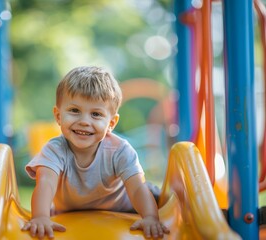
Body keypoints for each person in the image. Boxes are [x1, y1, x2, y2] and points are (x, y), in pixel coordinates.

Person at [22, 66, 169, 239]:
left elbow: (137, 188)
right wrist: (40, 217)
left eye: (96, 114)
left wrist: (150, 217)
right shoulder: (54, 150)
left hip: (125, 205)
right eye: (75, 111)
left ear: (111, 123)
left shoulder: (119, 150)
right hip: (69, 211)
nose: (84, 121)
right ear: (58, 115)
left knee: (157, 196)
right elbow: (46, 183)